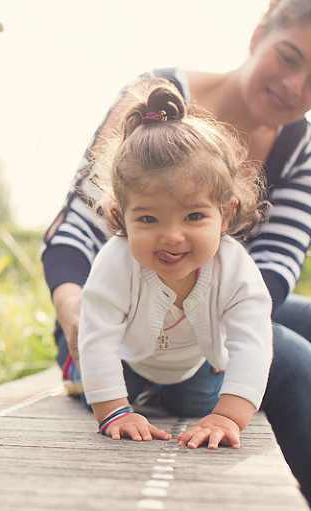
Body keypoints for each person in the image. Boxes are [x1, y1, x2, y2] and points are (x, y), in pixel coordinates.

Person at [40, 0, 311, 501]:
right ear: (257, 39)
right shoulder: (150, 106)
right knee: (294, 360)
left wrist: (222, 338)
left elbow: (271, 274)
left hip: (214, 301)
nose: (296, 86)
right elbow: (74, 231)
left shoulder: (300, 150)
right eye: (290, 57)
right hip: (119, 312)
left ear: (228, 214)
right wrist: (76, 308)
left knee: (288, 323)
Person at [77, 80, 273, 449]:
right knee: (99, 389)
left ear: (226, 213)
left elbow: (254, 341)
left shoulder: (234, 267)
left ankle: (169, 395)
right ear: (122, 216)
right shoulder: (116, 263)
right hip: (128, 359)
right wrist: (114, 410)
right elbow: (98, 336)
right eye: (148, 220)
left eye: (194, 216)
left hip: (192, 365)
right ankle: (94, 381)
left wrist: (227, 416)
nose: (171, 236)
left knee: (194, 403)